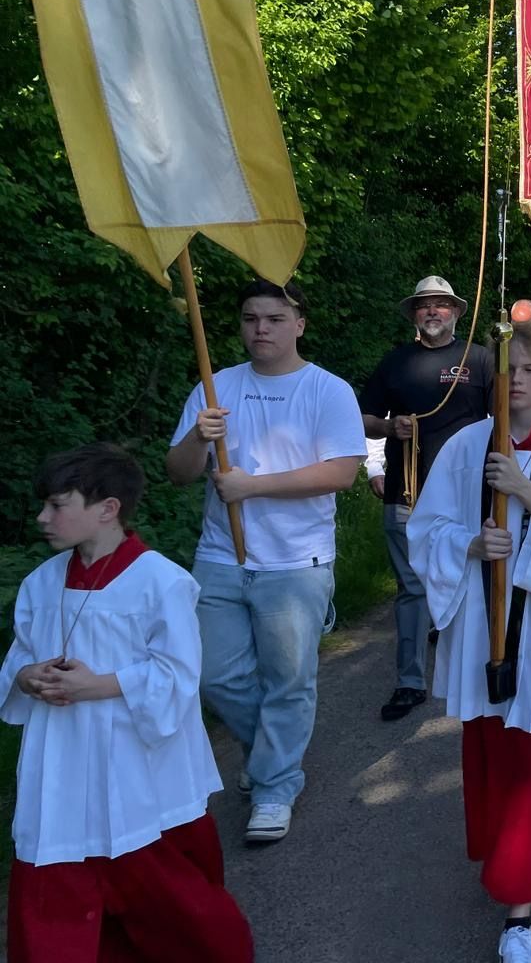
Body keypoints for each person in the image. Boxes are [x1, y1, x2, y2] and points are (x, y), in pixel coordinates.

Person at [406, 319, 531, 963]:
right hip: (483, 632)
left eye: (529, 371)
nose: (516, 381)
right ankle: (512, 864)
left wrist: (527, 493)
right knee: (495, 752)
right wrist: (468, 543)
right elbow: (425, 528)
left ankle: (518, 913)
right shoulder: (467, 446)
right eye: (507, 370)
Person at [3, 444, 254, 962]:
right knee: (59, 884)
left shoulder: (161, 582)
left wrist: (98, 685)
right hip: (63, 762)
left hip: (135, 763)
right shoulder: (40, 583)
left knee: (165, 896)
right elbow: (19, 658)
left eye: (56, 504)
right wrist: (27, 676)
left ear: (108, 508)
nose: (42, 517)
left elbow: (179, 675)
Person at [166, 279, 365, 845]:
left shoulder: (327, 390)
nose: (261, 329)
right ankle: (275, 762)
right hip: (220, 557)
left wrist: (252, 486)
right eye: (251, 318)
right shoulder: (216, 386)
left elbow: (340, 473)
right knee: (213, 673)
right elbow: (179, 472)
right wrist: (199, 440)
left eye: (274, 319)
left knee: (288, 680)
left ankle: (274, 787)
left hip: (296, 562)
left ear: (298, 324)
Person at [360, 276, 495, 723]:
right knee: (413, 588)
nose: (433, 312)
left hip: (469, 495)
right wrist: (388, 427)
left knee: (472, 580)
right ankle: (410, 682)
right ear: (414, 315)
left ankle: (478, 666)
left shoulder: (480, 358)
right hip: (407, 490)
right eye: (424, 306)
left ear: (457, 312)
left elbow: (508, 418)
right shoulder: (395, 362)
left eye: (441, 305)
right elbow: (363, 419)